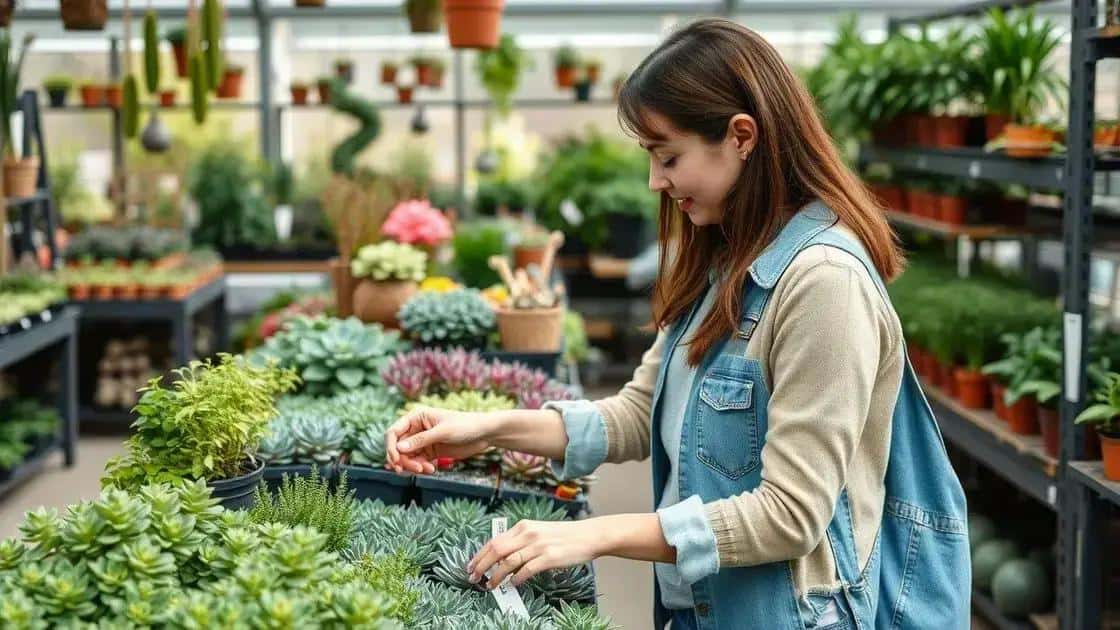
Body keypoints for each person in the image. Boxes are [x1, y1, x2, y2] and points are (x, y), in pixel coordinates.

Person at [385, 18, 970, 630]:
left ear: (742, 135)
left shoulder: (823, 284)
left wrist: (598, 535)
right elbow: (639, 413)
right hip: (704, 609)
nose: (655, 181)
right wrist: (484, 431)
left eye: (669, 156)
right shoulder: (725, 258)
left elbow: (792, 513)